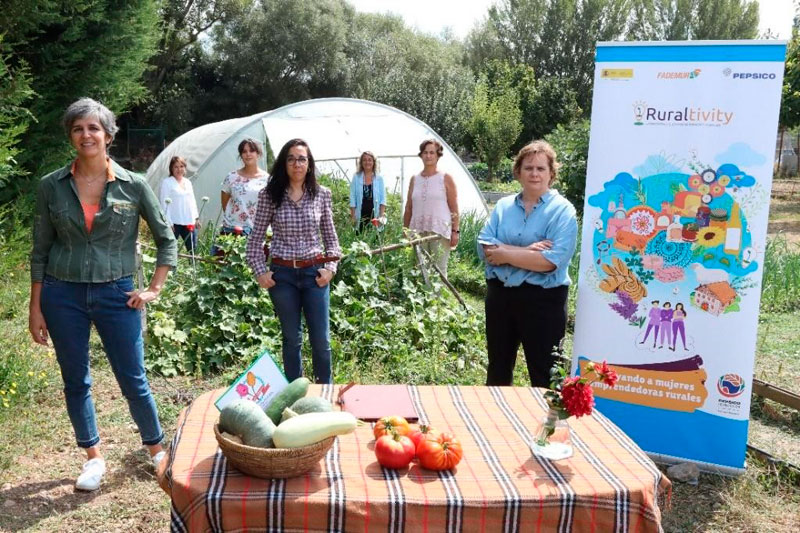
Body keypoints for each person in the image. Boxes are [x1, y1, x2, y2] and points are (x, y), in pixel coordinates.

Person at [28, 98, 177, 491]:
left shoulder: (135, 185)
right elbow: (40, 250)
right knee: (76, 380)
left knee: (134, 379)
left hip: (118, 294)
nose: (86, 135)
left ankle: (157, 450)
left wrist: (153, 289)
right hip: (62, 296)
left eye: (93, 128)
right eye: (78, 129)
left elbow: (167, 241)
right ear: (71, 136)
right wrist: (36, 307)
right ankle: (93, 457)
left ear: (108, 135)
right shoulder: (50, 187)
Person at [478, 140, 578, 388]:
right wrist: (525, 252)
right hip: (501, 298)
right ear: (518, 172)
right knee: (498, 370)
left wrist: (506, 253)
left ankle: (548, 427)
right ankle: (497, 425)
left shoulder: (563, 211)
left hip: (544, 302)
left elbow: (549, 262)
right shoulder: (502, 207)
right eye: (528, 168)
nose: (534, 173)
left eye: (541, 168)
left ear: (551, 174)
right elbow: (486, 250)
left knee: (546, 374)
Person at [246, 139, 341, 384]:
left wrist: (330, 269)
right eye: (291, 158)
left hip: (314, 275)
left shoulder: (321, 194)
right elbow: (255, 240)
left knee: (320, 339)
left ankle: (324, 392)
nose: (297, 164)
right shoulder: (270, 195)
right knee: (291, 338)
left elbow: (331, 238)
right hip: (283, 276)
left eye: (302, 159)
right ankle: (294, 393)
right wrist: (260, 272)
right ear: (283, 163)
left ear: (309, 164)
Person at [403, 139, 459, 275]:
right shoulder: (414, 179)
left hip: (439, 231)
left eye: (432, 153)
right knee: (420, 269)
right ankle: (422, 297)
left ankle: (438, 297)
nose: (428, 156)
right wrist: (405, 231)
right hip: (417, 231)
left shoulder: (445, 178)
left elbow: (454, 208)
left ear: (438, 155)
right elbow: (409, 208)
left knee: (438, 270)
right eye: (425, 152)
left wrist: (455, 231)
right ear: (421, 155)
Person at [220, 139, 269, 236]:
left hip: (257, 231)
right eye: (244, 151)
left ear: (258, 154)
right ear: (241, 155)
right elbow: (225, 203)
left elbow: (269, 206)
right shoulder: (231, 177)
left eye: (251, 151)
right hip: (232, 230)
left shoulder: (267, 179)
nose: (248, 154)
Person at [159, 156, 199, 252]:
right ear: (171, 169)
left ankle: (193, 266)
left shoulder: (188, 182)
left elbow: (192, 201)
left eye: (181, 166)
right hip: (174, 222)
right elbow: (164, 203)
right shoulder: (167, 183)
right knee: (170, 249)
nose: (179, 169)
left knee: (192, 250)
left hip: (188, 221)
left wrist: (196, 218)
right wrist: (168, 222)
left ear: (185, 168)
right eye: (176, 167)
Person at [349, 151, 387, 232]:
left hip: (375, 215)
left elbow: (383, 199)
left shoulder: (379, 178)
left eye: (370, 160)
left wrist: (381, 216)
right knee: (359, 239)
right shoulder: (356, 177)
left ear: (373, 162)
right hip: (360, 215)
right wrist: (353, 216)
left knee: (374, 239)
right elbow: (352, 198)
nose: (367, 162)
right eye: (364, 160)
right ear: (361, 162)